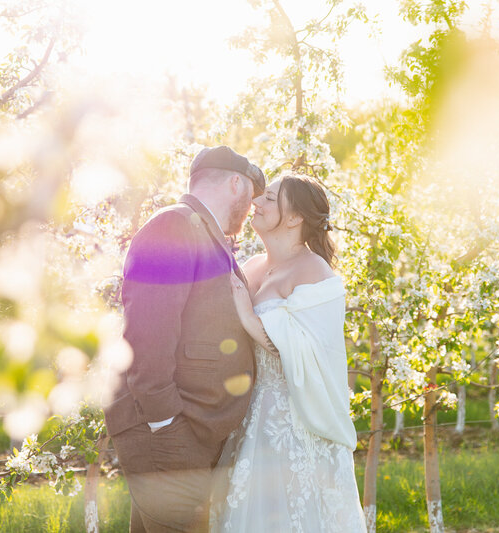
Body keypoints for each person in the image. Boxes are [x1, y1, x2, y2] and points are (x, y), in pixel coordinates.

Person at [104, 146, 266, 532]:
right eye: (251, 199)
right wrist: (166, 423)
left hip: (183, 431)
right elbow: (147, 336)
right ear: (235, 183)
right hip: (168, 431)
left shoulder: (203, 233)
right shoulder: (173, 226)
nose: (250, 210)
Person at [211, 175, 366, 532]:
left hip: (298, 426)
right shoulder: (250, 267)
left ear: (295, 218)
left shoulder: (316, 272)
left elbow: (311, 355)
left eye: (268, 198)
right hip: (248, 420)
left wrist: (249, 318)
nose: (256, 203)